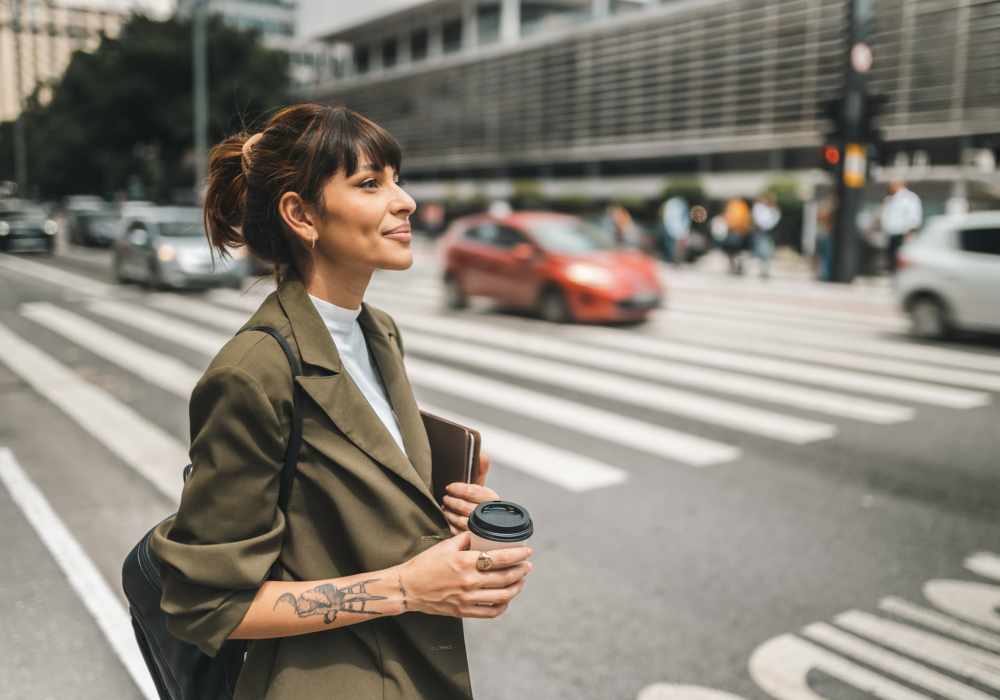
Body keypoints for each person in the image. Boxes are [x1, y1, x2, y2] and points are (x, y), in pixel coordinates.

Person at [150, 104, 533, 700]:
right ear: (301, 215)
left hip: (412, 671)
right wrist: (408, 587)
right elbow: (210, 605)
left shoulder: (378, 331)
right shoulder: (254, 372)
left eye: (395, 178)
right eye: (370, 183)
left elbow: (350, 506)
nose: (404, 200)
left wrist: (452, 514)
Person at [880, 180, 922, 275]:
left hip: (902, 232)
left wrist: (910, 231)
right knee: (891, 256)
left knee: (901, 256)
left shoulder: (909, 198)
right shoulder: (889, 198)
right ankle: (893, 274)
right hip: (891, 232)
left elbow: (914, 216)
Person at [751, 193, 781, 279]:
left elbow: (773, 220)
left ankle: (765, 270)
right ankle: (763, 270)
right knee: (762, 251)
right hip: (762, 232)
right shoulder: (760, 208)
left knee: (767, 252)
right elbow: (759, 220)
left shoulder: (773, 210)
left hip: (768, 232)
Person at [722, 197, 752, 274]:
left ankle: (734, 266)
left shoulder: (737, 206)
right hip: (737, 231)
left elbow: (727, 218)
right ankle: (735, 266)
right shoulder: (741, 206)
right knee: (735, 251)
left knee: (734, 251)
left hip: (737, 231)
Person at [661, 195, 691, 265]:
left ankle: (677, 261)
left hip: (677, 229)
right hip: (675, 229)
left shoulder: (674, 232)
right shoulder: (680, 232)